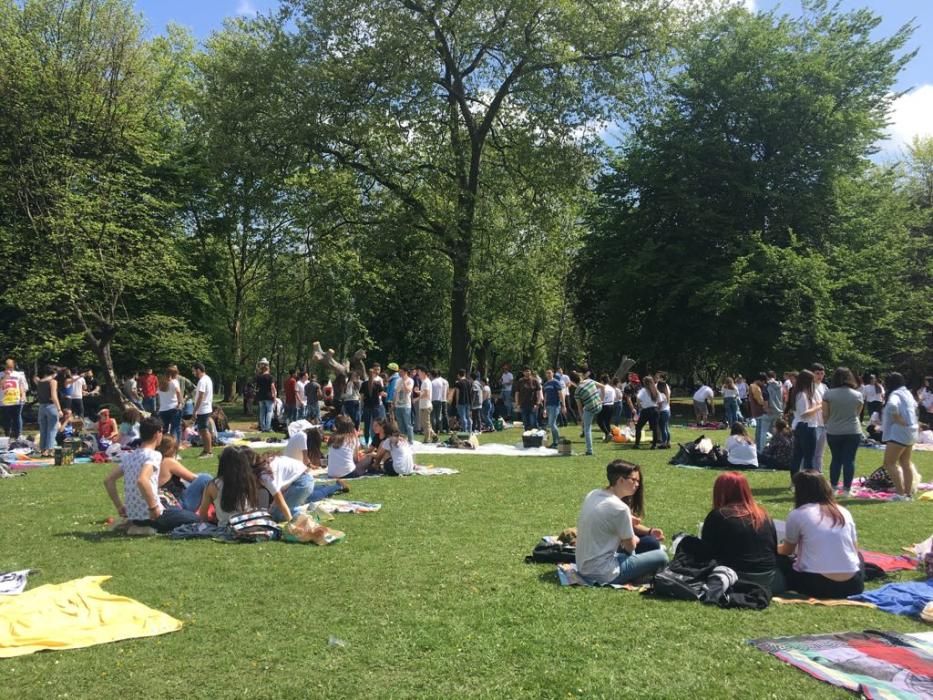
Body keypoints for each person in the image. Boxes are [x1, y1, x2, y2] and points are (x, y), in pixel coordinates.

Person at [575, 460, 669, 585]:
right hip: (605, 573)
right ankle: (640, 576)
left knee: (649, 544)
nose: (637, 484)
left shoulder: (593, 494)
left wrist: (629, 521)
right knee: (662, 556)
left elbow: (605, 514)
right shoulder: (620, 508)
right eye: (633, 480)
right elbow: (630, 547)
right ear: (620, 480)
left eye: (638, 481)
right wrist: (634, 538)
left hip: (583, 566)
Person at [103, 417, 201, 533]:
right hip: (152, 515)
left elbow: (108, 480)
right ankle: (151, 527)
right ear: (157, 434)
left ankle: (138, 526)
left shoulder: (129, 456)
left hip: (134, 516)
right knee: (196, 519)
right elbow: (142, 480)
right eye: (161, 432)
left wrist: (119, 507)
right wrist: (153, 507)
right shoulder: (154, 455)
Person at [777, 470, 864, 598]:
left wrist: (771, 548)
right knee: (860, 556)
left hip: (817, 584)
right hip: (853, 584)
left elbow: (787, 550)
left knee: (781, 560)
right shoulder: (843, 512)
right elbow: (854, 549)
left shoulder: (798, 514)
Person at [701, 472, 778, 592]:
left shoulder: (719, 515)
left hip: (736, 575)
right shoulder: (763, 514)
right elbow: (774, 549)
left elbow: (706, 552)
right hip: (768, 577)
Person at [822, 367, 864, 496]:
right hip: (853, 430)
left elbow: (825, 414)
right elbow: (858, 413)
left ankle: (833, 487)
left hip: (834, 430)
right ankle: (847, 489)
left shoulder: (828, 394)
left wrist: (828, 424)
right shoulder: (857, 394)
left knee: (836, 459)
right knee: (849, 460)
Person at [881, 372, 919, 499]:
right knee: (905, 462)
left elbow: (892, 405)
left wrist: (898, 419)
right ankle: (908, 493)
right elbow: (915, 405)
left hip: (899, 432)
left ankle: (900, 493)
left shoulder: (895, 394)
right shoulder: (907, 392)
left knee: (889, 463)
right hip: (912, 430)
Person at [156, 436, 212, 512]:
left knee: (200, 474)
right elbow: (192, 478)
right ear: (170, 449)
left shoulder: (154, 460)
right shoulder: (168, 461)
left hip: (164, 499)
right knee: (205, 478)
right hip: (178, 503)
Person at [789, 369, 821, 477]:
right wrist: (819, 406)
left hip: (802, 426)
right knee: (808, 456)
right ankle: (808, 481)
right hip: (806, 426)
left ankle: (796, 480)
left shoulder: (800, 393)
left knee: (798, 455)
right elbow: (804, 413)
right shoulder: (802, 394)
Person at [574, 370, 604, 456]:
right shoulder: (590, 381)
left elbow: (579, 408)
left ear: (573, 381)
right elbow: (603, 387)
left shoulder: (577, 391)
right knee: (585, 408)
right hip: (599, 406)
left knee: (587, 429)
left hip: (590, 409)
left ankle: (589, 450)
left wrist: (582, 420)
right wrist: (602, 400)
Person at [34, 365, 63, 456]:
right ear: (53, 373)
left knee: (43, 430)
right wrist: (59, 409)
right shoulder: (53, 382)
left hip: (41, 407)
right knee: (52, 429)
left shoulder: (39, 382)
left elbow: (34, 378)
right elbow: (54, 396)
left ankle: (43, 449)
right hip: (51, 406)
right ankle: (50, 449)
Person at [191, 362, 214, 459]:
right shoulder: (207, 379)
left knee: (204, 430)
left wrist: (195, 410)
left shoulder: (202, 381)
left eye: (193, 371)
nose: (193, 373)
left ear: (198, 370)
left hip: (203, 409)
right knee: (202, 430)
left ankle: (208, 452)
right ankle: (206, 450)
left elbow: (201, 396)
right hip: (205, 408)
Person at [157, 365, 183, 444]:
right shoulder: (174, 382)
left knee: (164, 429)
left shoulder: (161, 382)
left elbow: (158, 395)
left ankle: (163, 446)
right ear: (175, 374)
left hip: (163, 409)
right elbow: (178, 392)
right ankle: (174, 447)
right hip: (174, 407)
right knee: (175, 428)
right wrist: (180, 402)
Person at [1, 359, 27, 438]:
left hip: (16, 400)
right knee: (6, 419)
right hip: (4, 401)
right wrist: (6, 377)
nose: (10, 369)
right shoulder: (1, 374)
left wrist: (23, 395)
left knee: (17, 418)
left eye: (11, 367)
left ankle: (18, 435)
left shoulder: (19, 374)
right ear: (5, 366)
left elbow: (22, 386)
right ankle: (7, 435)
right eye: (8, 367)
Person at [633, 376, 661, 449]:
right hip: (655, 409)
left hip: (646, 410)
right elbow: (660, 401)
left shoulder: (643, 390)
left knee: (639, 427)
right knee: (654, 428)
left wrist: (640, 407)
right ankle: (654, 445)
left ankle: (637, 444)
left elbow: (638, 400)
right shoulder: (656, 390)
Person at [542, 369, 565, 448]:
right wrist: (544, 408)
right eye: (547, 373)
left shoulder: (556, 382)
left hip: (555, 405)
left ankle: (557, 442)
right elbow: (545, 397)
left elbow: (561, 394)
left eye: (549, 373)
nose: (548, 374)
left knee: (552, 424)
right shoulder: (545, 384)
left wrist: (563, 405)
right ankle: (555, 443)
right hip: (548, 406)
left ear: (553, 373)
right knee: (552, 424)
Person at [393, 366, 415, 442]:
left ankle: (410, 440)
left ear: (405, 372)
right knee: (400, 424)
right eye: (399, 372)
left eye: (401, 371)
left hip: (406, 405)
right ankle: (403, 440)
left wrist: (404, 382)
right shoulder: (397, 380)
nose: (399, 373)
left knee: (408, 424)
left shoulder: (410, 380)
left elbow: (408, 391)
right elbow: (395, 392)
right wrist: (393, 402)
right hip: (398, 405)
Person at [255, 359, 276, 432]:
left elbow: (257, 388)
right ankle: (268, 427)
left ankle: (263, 427)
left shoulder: (258, 377)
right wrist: (274, 396)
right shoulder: (270, 377)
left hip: (261, 396)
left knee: (262, 412)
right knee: (269, 412)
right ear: (268, 369)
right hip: (268, 396)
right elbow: (272, 387)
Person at [416, 368, 436, 442]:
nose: (418, 374)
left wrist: (417, 399)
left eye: (419, 372)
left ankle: (427, 439)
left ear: (423, 373)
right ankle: (434, 436)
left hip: (426, 405)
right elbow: (425, 392)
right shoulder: (425, 381)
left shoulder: (426, 382)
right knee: (425, 423)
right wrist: (419, 391)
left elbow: (426, 394)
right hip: (425, 405)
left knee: (426, 424)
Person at [453, 369, 473, 433]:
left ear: (459, 375)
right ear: (464, 374)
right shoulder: (469, 382)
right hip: (468, 401)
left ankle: (465, 430)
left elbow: (457, 394)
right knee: (468, 417)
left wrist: (456, 402)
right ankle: (470, 430)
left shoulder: (458, 383)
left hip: (461, 401)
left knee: (463, 417)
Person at [596, 374, 616, 441]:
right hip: (611, 405)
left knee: (599, 421)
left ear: (601, 381)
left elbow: (598, 397)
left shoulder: (601, 388)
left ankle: (607, 433)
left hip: (604, 405)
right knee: (607, 422)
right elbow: (614, 397)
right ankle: (608, 436)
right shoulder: (612, 388)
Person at [655, 372, 672, 449]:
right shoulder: (665, 394)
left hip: (663, 412)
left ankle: (664, 443)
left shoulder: (660, 394)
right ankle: (668, 442)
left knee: (663, 428)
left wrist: (657, 411)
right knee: (666, 427)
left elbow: (660, 405)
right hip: (667, 410)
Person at [430, 369, 449, 434]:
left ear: (432, 375)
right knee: (439, 416)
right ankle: (440, 429)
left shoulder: (432, 382)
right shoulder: (441, 382)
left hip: (433, 400)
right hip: (440, 400)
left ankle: (434, 429)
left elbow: (430, 392)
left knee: (433, 416)